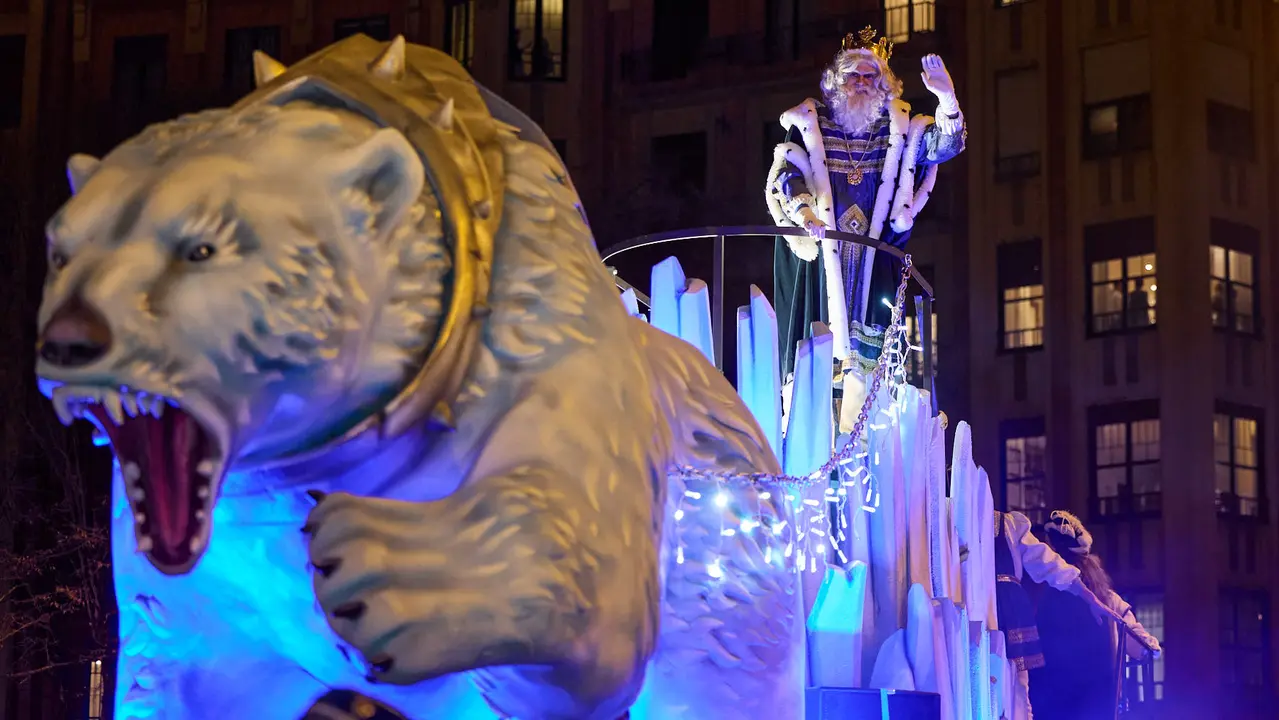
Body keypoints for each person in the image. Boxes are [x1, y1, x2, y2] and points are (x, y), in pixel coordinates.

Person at [765, 26, 966, 425]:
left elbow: (945, 146)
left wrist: (946, 99)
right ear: (836, 82)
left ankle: (865, 451)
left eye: (870, 76)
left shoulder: (899, 128)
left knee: (870, 381)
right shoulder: (810, 121)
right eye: (852, 75)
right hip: (819, 262)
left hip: (875, 268)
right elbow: (787, 169)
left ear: (884, 84)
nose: (860, 83)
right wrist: (805, 213)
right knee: (815, 373)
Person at [1030, 510, 1161, 720]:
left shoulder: (1100, 599)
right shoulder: (1103, 599)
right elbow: (1134, 637)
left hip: (1067, 697)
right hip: (1082, 698)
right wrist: (1147, 647)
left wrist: (1147, 646)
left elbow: (1131, 632)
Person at [991, 510, 1115, 720]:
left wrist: (1089, 597)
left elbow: (1047, 563)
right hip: (987, 610)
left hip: (1010, 613)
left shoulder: (1008, 525)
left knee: (1017, 689)